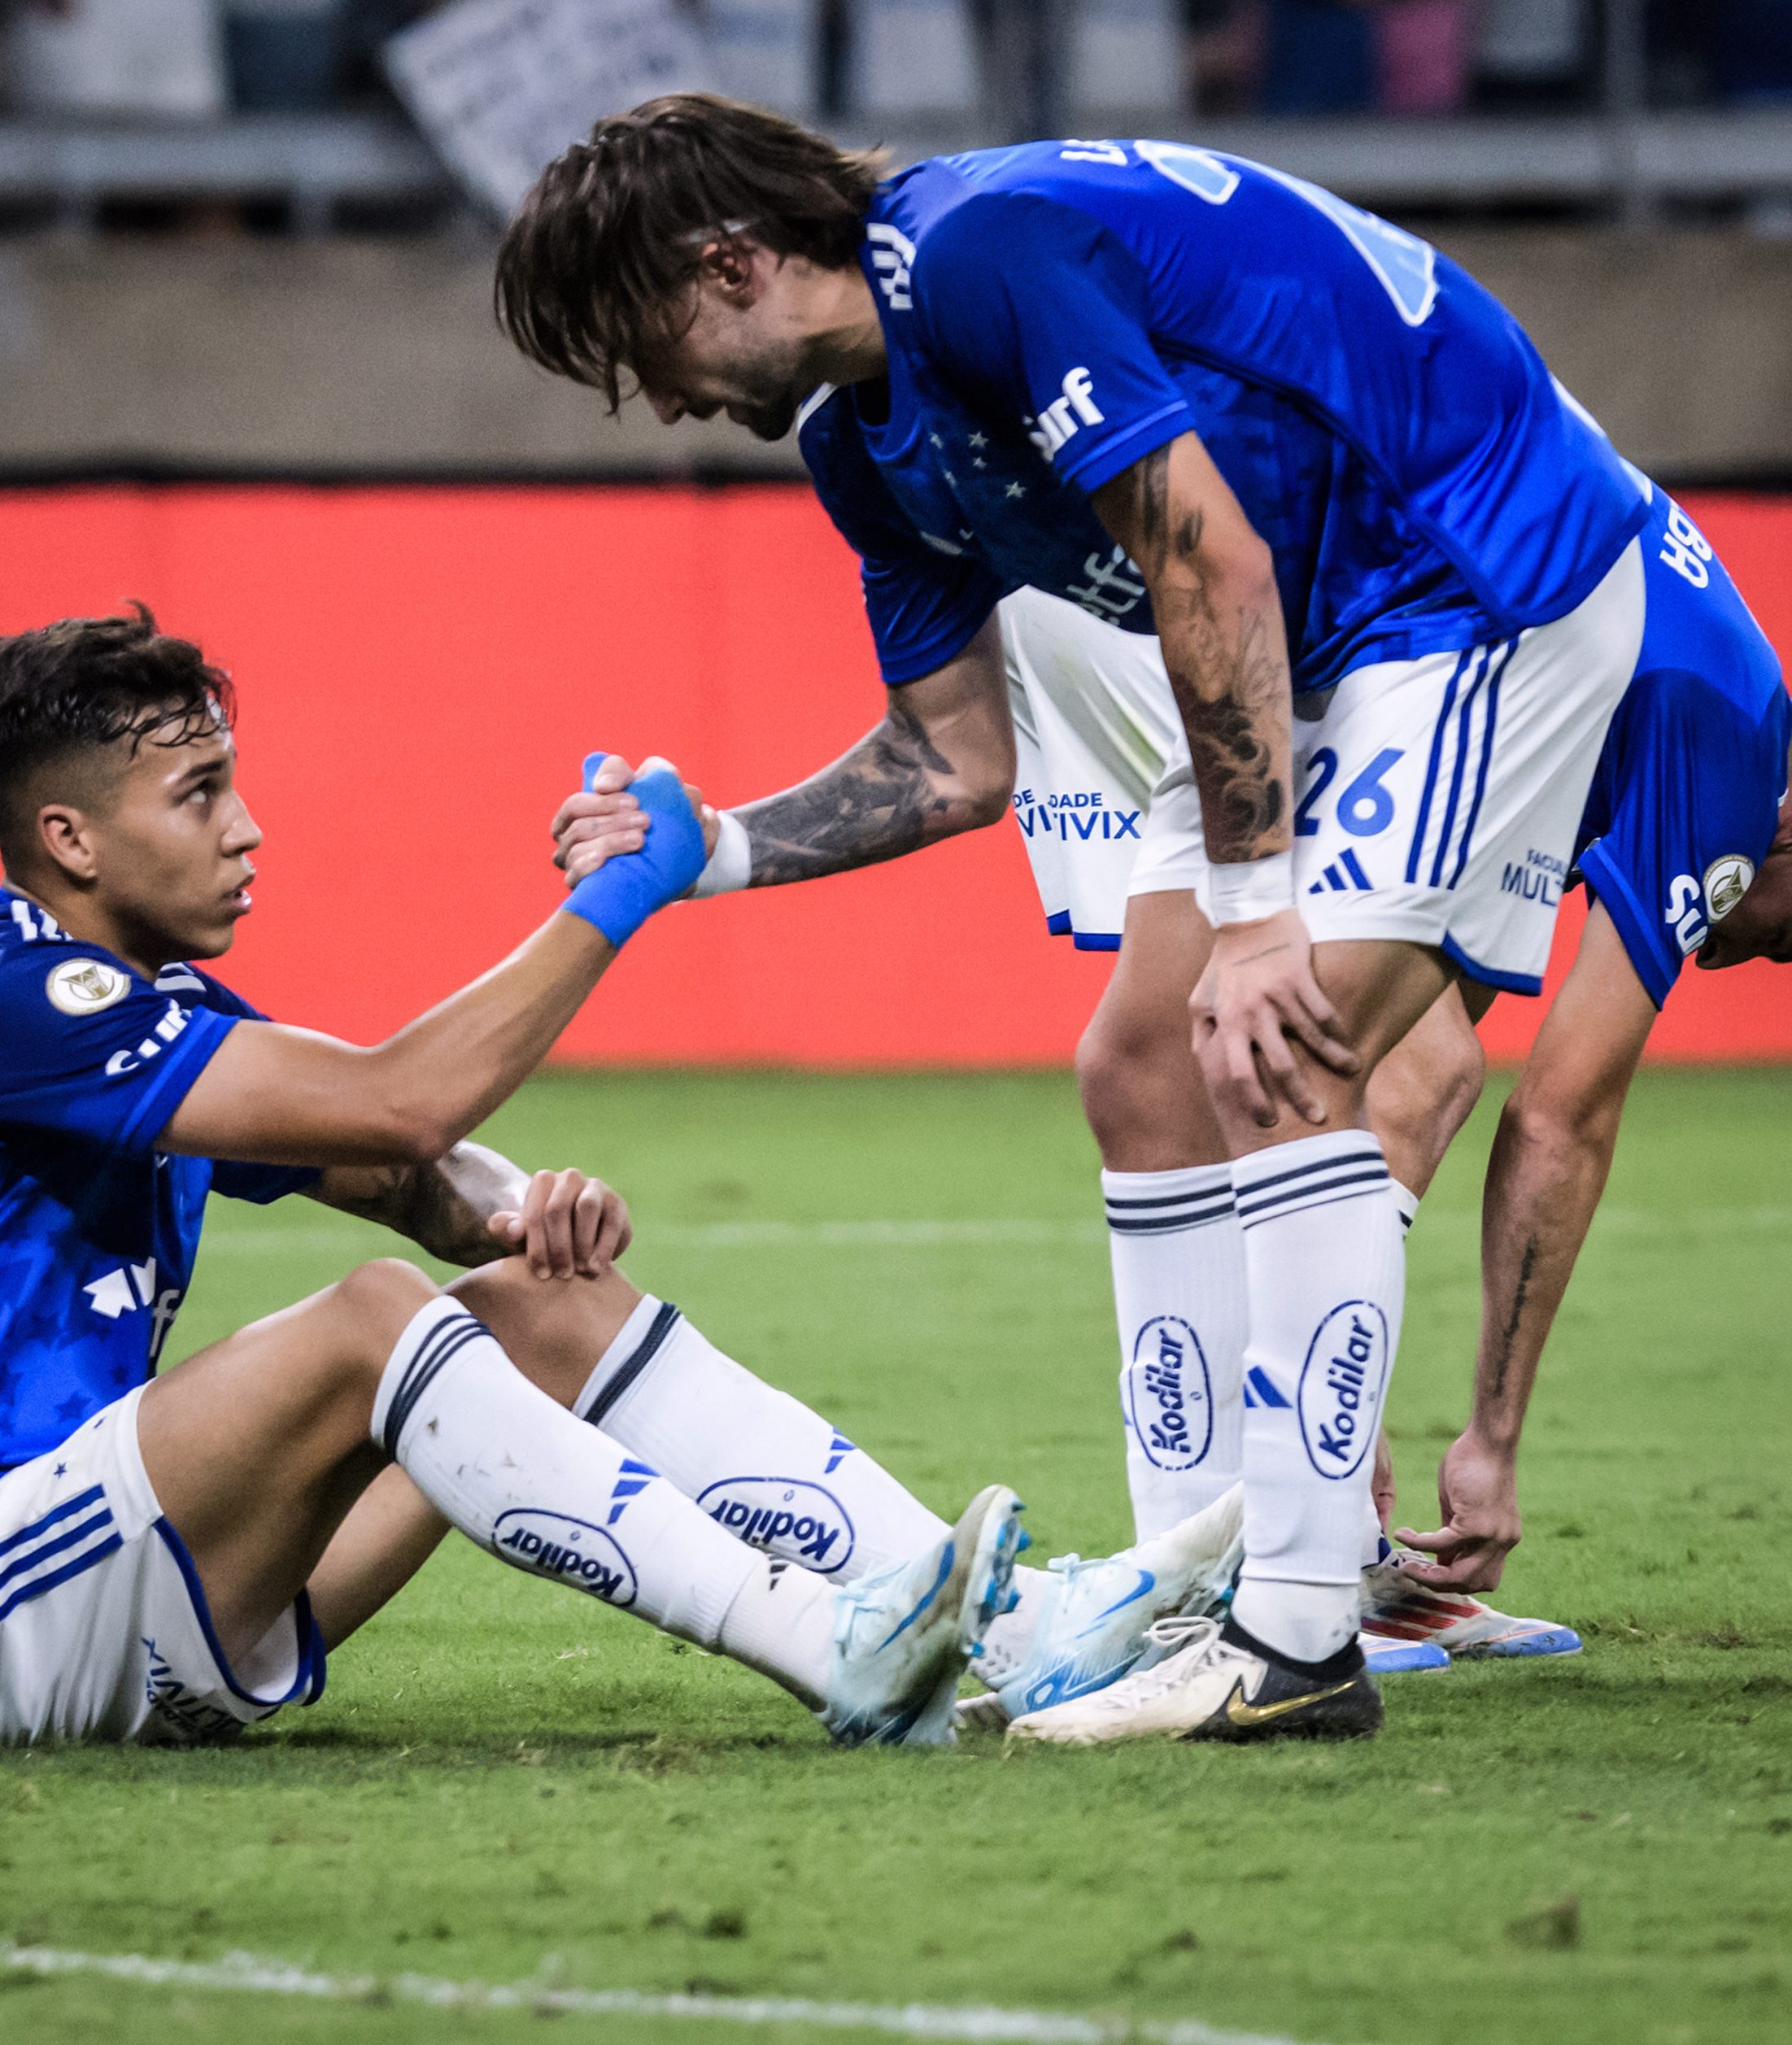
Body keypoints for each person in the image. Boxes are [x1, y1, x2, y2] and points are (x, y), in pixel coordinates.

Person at [494, 95, 1708, 1743]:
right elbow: (951, 757)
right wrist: (701, 845)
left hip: (1470, 560)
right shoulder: (862, 439)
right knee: (1138, 1063)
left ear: (728, 263)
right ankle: (1180, 1592)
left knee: (1271, 1036)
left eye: (641, 346)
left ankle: (1292, 1644)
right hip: (1321, 625)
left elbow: (1205, 552)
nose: (657, 402)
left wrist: (1260, 915)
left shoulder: (980, 253)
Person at [0, 604, 1266, 1751]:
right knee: (374, 1317)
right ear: (69, 835)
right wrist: (625, 893)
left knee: (523, 1303)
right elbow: (402, 1098)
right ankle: (838, 1654)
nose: (246, 829)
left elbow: (400, 1163)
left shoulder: (147, 1016)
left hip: (130, 1596)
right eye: (198, 793)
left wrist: (512, 1210)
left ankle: (1014, 1633)